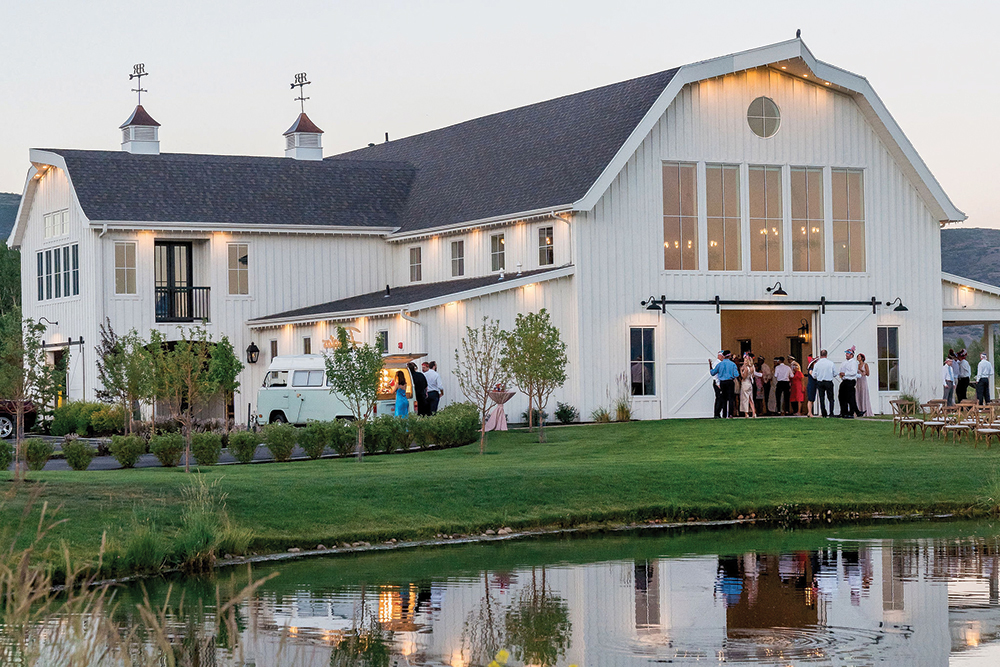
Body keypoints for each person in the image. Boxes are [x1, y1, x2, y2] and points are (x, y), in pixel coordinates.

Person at [709, 351, 739, 418]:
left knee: (724, 398)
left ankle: (724, 414)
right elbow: (736, 374)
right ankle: (730, 414)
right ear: (730, 356)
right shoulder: (732, 364)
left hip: (723, 382)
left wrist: (710, 366)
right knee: (731, 398)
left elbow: (712, 373)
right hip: (730, 382)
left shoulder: (720, 364)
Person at [812, 349, 836, 417]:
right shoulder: (831, 363)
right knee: (831, 398)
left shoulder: (817, 364)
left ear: (820, 355)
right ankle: (831, 412)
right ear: (826, 355)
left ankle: (823, 413)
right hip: (828, 381)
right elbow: (835, 373)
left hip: (820, 382)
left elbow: (814, 375)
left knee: (821, 398)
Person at [838, 347, 860, 418]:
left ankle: (851, 413)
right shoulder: (844, 363)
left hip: (850, 381)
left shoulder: (853, 363)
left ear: (852, 355)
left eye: (848, 354)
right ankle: (843, 412)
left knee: (850, 397)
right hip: (844, 381)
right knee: (841, 397)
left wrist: (845, 373)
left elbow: (853, 372)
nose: (846, 355)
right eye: (846, 354)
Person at [855, 353, 873, 417]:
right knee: (858, 394)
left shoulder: (865, 365)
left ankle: (865, 409)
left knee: (863, 394)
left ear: (862, 358)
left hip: (863, 380)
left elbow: (868, 374)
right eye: (857, 357)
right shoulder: (857, 365)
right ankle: (859, 410)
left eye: (859, 357)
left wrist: (862, 370)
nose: (858, 358)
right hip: (858, 381)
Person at [712, 351, 725, 418]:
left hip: (720, 382)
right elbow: (716, 375)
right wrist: (718, 383)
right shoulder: (717, 363)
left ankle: (719, 413)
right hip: (718, 383)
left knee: (721, 398)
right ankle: (716, 413)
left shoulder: (721, 363)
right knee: (719, 398)